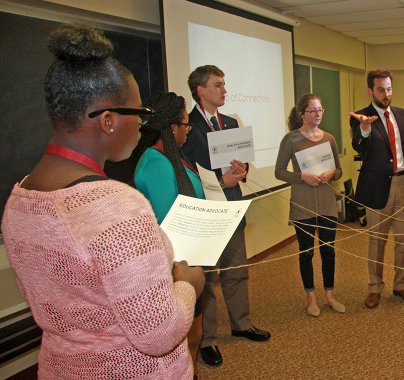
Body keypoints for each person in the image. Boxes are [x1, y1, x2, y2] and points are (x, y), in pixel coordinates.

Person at [1, 23, 204, 380]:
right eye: (138, 115)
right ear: (108, 121)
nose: (142, 126)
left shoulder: (20, 199)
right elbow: (159, 335)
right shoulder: (119, 207)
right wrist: (187, 284)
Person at [183, 65, 271, 367]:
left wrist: (240, 171)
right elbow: (188, 175)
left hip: (233, 207)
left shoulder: (231, 122)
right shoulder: (187, 126)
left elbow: (240, 161)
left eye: (224, 84)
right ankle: (206, 340)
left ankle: (241, 323)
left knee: (237, 271)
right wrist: (222, 181)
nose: (224, 90)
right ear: (201, 90)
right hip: (206, 213)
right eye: (218, 85)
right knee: (206, 280)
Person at [132, 92, 204, 377]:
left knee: (194, 336)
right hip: (172, 270)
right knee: (182, 341)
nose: (188, 131)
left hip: (187, 263)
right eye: (186, 125)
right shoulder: (156, 164)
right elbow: (169, 224)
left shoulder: (171, 158)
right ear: (171, 127)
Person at [349, 69, 404, 309]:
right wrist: (366, 129)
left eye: (389, 89)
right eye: (381, 89)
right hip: (377, 187)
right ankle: (374, 288)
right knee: (377, 240)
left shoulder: (402, 115)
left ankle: (401, 285)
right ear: (371, 91)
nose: (386, 94)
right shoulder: (361, 116)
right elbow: (359, 146)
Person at [275, 93, 344, 317]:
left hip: (326, 203)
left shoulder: (329, 138)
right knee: (306, 253)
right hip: (303, 204)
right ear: (301, 114)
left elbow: (339, 170)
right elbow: (279, 172)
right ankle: (311, 298)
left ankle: (330, 296)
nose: (317, 115)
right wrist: (301, 176)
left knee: (328, 252)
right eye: (313, 111)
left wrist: (332, 173)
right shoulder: (291, 139)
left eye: (320, 110)